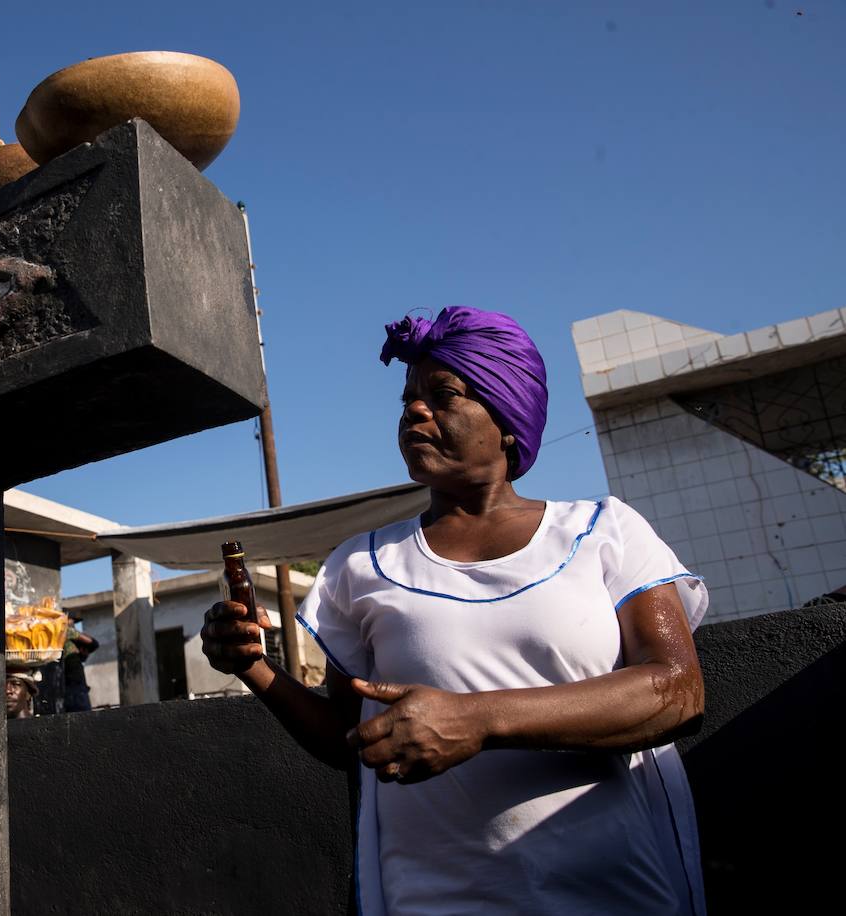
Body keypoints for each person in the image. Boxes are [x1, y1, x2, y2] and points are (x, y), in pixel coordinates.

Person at [201, 307, 707, 916]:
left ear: (508, 420)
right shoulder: (360, 564)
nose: (414, 411)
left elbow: (678, 692)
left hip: (614, 891)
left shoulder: (604, 530)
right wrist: (256, 668)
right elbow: (350, 740)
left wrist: (478, 719)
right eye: (408, 399)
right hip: (435, 898)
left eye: (443, 396)